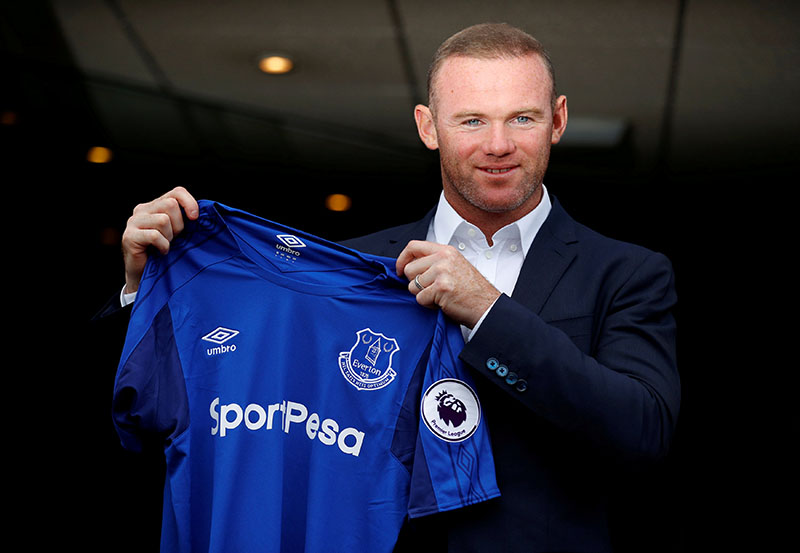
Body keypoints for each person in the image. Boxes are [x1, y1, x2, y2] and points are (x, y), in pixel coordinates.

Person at [107, 23, 680, 553]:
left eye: (522, 119)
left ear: (557, 120)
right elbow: (169, 415)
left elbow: (644, 432)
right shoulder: (352, 266)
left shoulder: (627, 273)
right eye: (472, 120)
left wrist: (487, 311)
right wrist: (144, 289)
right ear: (428, 126)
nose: (499, 144)